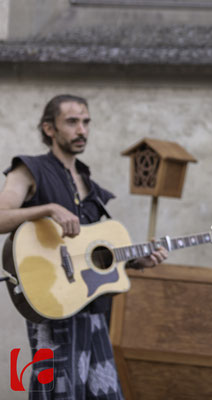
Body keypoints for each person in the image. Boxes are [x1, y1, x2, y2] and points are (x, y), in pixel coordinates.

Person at [0, 94, 168, 399]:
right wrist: (47, 208)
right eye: (72, 122)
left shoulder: (91, 186)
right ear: (49, 129)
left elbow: (91, 254)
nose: (82, 130)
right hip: (52, 308)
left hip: (94, 313)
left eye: (86, 122)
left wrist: (134, 262)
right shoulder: (29, 169)